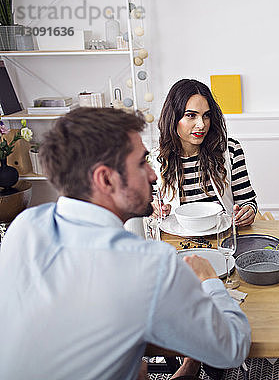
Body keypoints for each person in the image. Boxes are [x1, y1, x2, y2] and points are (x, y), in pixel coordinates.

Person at [0, 108, 251, 380]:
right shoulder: (148, 263)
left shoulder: (24, 226)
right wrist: (208, 278)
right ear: (106, 179)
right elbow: (233, 349)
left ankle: (188, 363)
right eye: (142, 163)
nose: (154, 175)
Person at [153, 78, 257, 226]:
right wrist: (155, 210)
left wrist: (248, 211)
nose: (202, 124)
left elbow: (248, 201)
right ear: (173, 117)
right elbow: (150, 208)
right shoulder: (155, 160)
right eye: (191, 115)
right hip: (179, 243)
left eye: (206, 115)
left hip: (224, 240)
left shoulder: (231, 150)